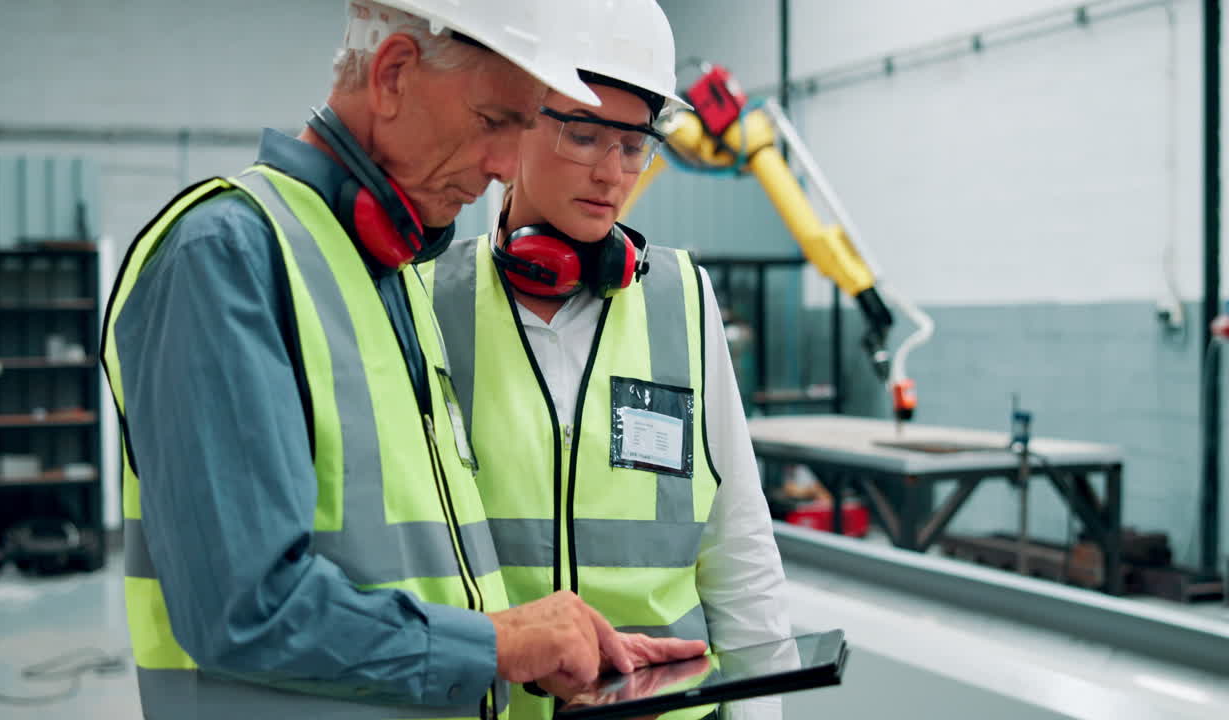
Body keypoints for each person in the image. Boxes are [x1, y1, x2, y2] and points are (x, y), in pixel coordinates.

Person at [99, 2, 702, 718]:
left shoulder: (391, 278)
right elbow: (246, 609)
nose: (507, 166)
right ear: (393, 76)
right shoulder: (227, 256)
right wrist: (494, 647)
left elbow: (403, 568)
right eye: (494, 121)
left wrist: (532, 643)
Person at [425, 2, 791, 719]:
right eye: (584, 135)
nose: (611, 173)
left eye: (634, 145)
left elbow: (738, 548)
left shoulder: (682, 300)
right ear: (516, 115)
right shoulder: (426, 301)